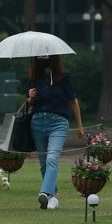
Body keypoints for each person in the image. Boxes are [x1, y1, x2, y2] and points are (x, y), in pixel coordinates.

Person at [26, 54, 85, 209]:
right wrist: (30, 97)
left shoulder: (64, 77)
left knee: (52, 158)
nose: (42, 57)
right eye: (39, 55)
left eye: (45, 54)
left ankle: (44, 192)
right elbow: (30, 104)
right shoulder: (34, 77)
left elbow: (73, 101)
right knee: (44, 163)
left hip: (58, 122)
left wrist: (80, 126)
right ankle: (53, 196)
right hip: (37, 122)